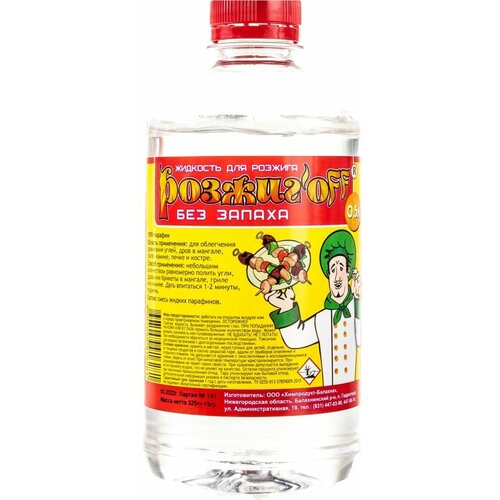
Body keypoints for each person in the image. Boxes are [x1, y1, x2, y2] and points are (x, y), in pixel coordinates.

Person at [266, 230, 361, 386]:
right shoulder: (322, 318)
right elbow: (296, 339)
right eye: (333, 270)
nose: (337, 276)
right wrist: (287, 307)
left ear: (348, 273)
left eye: (341, 268)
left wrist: (357, 302)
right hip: (326, 392)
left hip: (345, 394)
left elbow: (361, 337)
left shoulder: (357, 308)